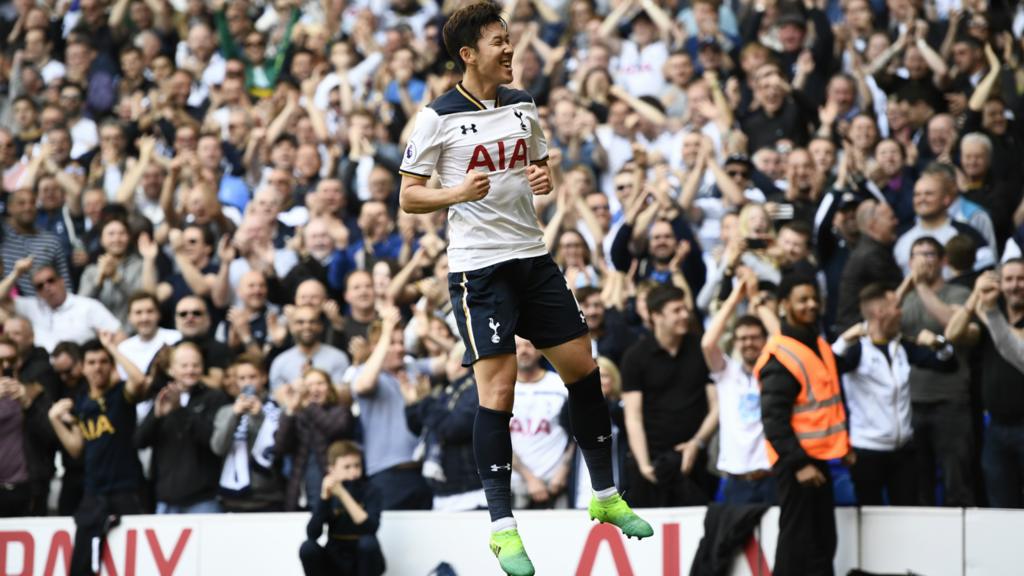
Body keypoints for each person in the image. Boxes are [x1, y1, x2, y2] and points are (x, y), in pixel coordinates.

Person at [397, 4, 650, 574]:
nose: (509, 50)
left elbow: (541, 168)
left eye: (508, 40)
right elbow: (410, 196)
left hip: (533, 258)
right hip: (478, 269)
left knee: (585, 370)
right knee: (500, 391)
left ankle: (605, 495)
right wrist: (457, 192)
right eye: (497, 43)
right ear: (468, 54)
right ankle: (503, 528)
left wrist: (546, 178)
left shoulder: (522, 105)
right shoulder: (436, 118)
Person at [755, 273, 851, 576]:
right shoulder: (781, 357)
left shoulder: (819, 344)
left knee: (821, 541)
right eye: (802, 300)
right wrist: (799, 464)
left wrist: (843, 447)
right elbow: (774, 422)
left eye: (814, 299)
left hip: (818, 460)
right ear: (784, 305)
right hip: (796, 465)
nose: (811, 305)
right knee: (799, 544)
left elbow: (829, 404)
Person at [833, 284, 956, 506]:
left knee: (905, 513)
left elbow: (948, 365)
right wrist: (842, 342)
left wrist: (939, 343)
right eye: (897, 307)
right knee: (870, 518)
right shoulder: (856, 349)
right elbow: (827, 370)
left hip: (904, 450)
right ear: (880, 313)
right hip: (867, 451)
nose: (902, 312)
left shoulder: (901, 346)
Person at [47, 337, 149, 575]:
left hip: (127, 489)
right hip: (94, 491)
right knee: (82, 563)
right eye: (91, 362)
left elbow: (140, 380)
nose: (98, 367)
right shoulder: (82, 402)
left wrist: (114, 349)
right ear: (82, 367)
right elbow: (76, 448)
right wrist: (54, 420)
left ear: (111, 365)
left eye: (103, 361)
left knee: (132, 558)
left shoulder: (120, 395)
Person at [621, 285, 718, 506]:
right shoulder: (635, 357)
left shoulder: (701, 349)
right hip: (652, 463)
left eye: (685, 309)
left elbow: (716, 406)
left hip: (695, 463)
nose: (685, 315)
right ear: (656, 316)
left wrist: (697, 442)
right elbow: (633, 417)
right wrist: (644, 464)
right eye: (677, 310)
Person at [947, 261, 1024, 507]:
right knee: (1001, 504)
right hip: (996, 427)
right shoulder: (991, 316)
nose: (1015, 286)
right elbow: (952, 334)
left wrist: (990, 315)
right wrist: (974, 297)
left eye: (1021, 279)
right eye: (1009, 279)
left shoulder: (994, 319)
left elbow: (1017, 350)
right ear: (1000, 284)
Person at [700, 274, 776, 505]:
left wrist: (756, 300)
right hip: (736, 480)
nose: (749, 343)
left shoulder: (775, 371)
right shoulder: (726, 372)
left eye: (755, 337)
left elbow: (782, 338)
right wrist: (736, 297)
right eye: (742, 338)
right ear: (735, 342)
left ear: (764, 340)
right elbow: (707, 343)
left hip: (771, 476)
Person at [351, 307, 437, 511]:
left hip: (421, 472)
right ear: (376, 347)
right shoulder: (365, 372)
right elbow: (363, 385)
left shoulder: (413, 368)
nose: (399, 348)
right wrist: (386, 331)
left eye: (401, 342)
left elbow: (454, 362)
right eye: (392, 343)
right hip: (386, 474)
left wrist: (427, 334)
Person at [135, 342, 231, 513]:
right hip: (165, 500)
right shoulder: (163, 397)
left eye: (195, 365)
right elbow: (139, 441)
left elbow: (212, 440)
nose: (190, 370)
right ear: (171, 370)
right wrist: (156, 417)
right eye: (184, 365)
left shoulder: (215, 397)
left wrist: (180, 410)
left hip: (203, 499)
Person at [210, 355, 286, 512]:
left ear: (264, 378)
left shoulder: (277, 411)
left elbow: (279, 449)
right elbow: (218, 447)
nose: (247, 382)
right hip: (232, 499)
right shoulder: (225, 411)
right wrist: (234, 416)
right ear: (236, 382)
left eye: (252, 377)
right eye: (242, 378)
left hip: (269, 498)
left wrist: (259, 418)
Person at [299, 440, 385, 576]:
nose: (354, 471)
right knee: (307, 548)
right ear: (332, 469)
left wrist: (343, 494)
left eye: (357, 465)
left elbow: (371, 528)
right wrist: (324, 499)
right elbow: (312, 534)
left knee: (368, 543)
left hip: (364, 560)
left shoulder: (371, 490)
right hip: (335, 558)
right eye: (347, 467)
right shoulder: (328, 492)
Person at [273, 368, 355, 511]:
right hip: (300, 493)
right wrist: (290, 410)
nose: (315, 389)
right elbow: (280, 447)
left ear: (329, 388)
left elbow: (335, 430)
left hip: (335, 491)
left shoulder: (340, 411)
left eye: (320, 383)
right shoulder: (296, 415)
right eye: (309, 385)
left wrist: (309, 406)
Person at [509, 336, 573, 510]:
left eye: (529, 345)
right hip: (516, 484)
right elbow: (498, 438)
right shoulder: (504, 387)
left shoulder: (559, 385)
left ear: (540, 349)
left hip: (556, 483)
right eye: (517, 346)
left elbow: (574, 434)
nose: (523, 350)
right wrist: (529, 478)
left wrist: (564, 471)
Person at [1, 261, 122, 352]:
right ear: (37, 292)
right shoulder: (32, 306)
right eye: (40, 286)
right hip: (45, 373)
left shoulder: (87, 306)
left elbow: (119, 336)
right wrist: (16, 273)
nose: (47, 287)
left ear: (62, 281)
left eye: (51, 280)